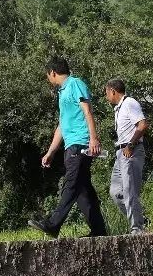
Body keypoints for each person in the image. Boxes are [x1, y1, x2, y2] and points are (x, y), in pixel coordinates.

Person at [29, 57, 107, 238]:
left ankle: (53, 224)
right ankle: (99, 230)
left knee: (71, 184)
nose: (48, 79)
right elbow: (62, 125)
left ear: (53, 73)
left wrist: (93, 139)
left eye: (48, 75)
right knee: (82, 190)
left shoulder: (75, 84)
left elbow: (87, 110)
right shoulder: (62, 93)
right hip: (71, 145)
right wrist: (50, 152)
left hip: (81, 144)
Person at [104, 79, 149, 234]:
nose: (106, 96)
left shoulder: (129, 103)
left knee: (130, 190)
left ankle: (137, 228)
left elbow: (142, 125)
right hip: (120, 152)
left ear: (113, 91)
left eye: (106, 93)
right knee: (116, 192)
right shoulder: (119, 108)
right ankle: (140, 218)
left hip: (131, 150)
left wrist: (131, 144)